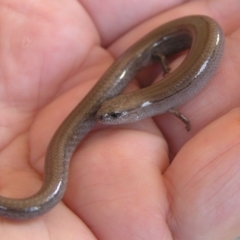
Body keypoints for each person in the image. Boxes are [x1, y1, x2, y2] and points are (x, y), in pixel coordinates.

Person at [0, 0, 239, 239]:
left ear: (133, 112)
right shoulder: (147, 101)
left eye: (113, 116)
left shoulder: (156, 101)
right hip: (159, 47)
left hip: (189, 38)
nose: (103, 117)